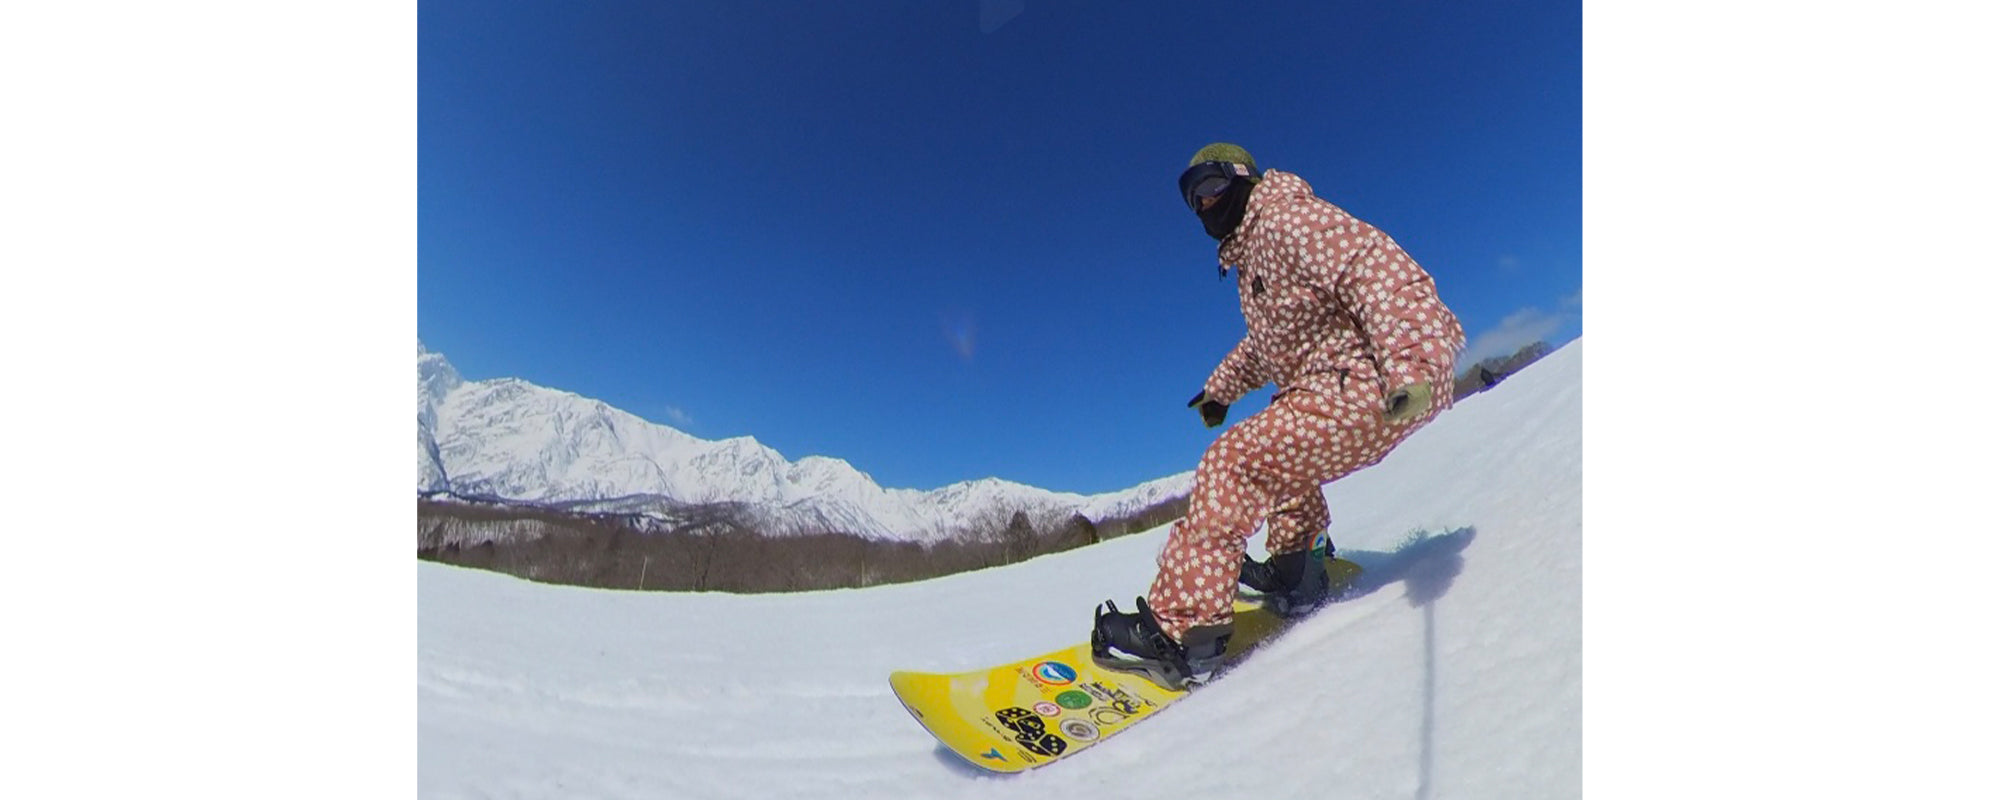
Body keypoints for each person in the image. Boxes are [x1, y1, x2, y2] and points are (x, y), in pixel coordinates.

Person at [1091, 143, 1466, 689]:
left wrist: (1411, 364)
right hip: (1339, 387)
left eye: (1210, 187)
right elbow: (1264, 349)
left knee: (1231, 463)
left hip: (1377, 382)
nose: (1204, 205)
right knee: (1281, 436)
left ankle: (1183, 632)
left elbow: (1375, 269)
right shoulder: (1256, 260)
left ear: (1242, 178)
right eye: (1193, 199)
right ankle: (1297, 569)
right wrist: (1219, 392)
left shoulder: (1285, 220)